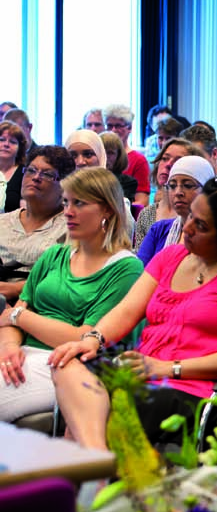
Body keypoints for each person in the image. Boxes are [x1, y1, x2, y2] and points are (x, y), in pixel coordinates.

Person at [46, 173, 217, 449]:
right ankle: (97, 458)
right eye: (190, 217)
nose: (187, 229)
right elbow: (127, 310)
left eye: (201, 226)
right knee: (69, 365)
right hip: (145, 374)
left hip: (204, 392)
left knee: (104, 411)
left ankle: (93, 465)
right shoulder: (171, 257)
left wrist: (167, 368)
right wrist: (93, 338)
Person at [0, 168, 143, 447]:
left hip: (67, 365)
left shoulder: (126, 268)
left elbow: (85, 338)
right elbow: (11, 315)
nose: (68, 211)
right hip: (18, 355)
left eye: (79, 203)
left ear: (108, 211)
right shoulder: (54, 255)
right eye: (66, 202)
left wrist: (21, 317)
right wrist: (8, 346)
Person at [0, 146, 74, 303]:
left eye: (47, 174)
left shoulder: (71, 226)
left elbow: (70, 277)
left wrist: (12, 289)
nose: (36, 177)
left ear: (65, 186)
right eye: (31, 170)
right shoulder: (3, 221)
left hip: (41, 303)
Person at [137, 156, 215, 265]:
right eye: (172, 186)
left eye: (188, 186)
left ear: (206, 190)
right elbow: (140, 272)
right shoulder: (159, 230)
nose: (178, 192)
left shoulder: (215, 235)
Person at [134, 139, 207, 248]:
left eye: (178, 160)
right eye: (165, 158)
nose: (168, 164)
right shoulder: (147, 213)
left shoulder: (192, 215)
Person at [103, 104, 151, 206]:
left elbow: (142, 201)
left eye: (118, 126)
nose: (113, 130)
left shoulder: (139, 160)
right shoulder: (96, 156)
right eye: (109, 126)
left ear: (129, 128)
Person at [99, 131, 139, 202]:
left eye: (110, 153)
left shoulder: (128, 183)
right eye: (102, 151)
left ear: (119, 156)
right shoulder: (86, 179)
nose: (105, 156)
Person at [0, 121, 27, 212]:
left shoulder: (26, 173)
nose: (6, 144)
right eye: (1, 139)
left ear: (20, 148)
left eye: (12, 142)